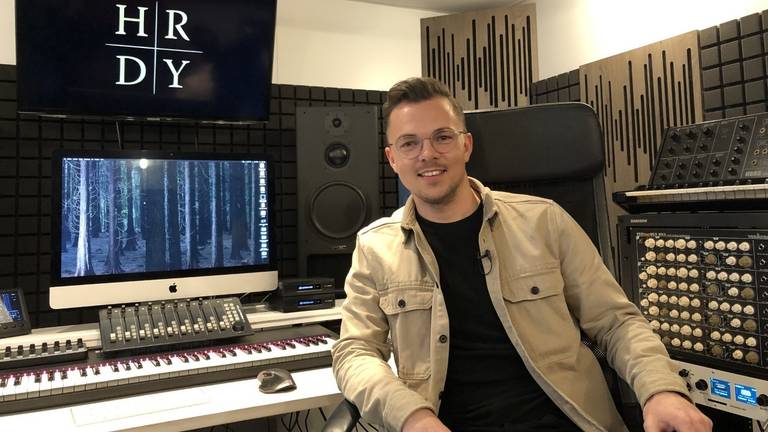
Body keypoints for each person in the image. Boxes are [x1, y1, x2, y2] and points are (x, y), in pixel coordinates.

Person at [331, 77, 712, 432]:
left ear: (466, 145)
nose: (427, 154)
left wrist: (660, 389)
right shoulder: (375, 248)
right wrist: (412, 417)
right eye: (409, 143)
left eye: (442, 137)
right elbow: (355, 352)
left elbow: (616, 322)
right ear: (392, 158)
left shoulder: (544, 220)